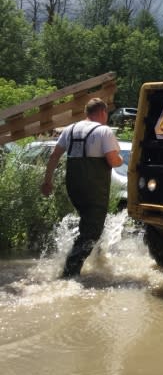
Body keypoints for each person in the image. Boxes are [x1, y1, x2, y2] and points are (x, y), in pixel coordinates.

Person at [41, 98, 123, 278]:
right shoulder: (103, 131)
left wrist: (47, 181)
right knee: (92, 230)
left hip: (74, 186)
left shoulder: (70, 129)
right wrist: (121, 160)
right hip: (94, 188)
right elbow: (113, 160)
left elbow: (54, 156)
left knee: (89, 224)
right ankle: (69, 273)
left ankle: (98, 259)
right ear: (102, 112)